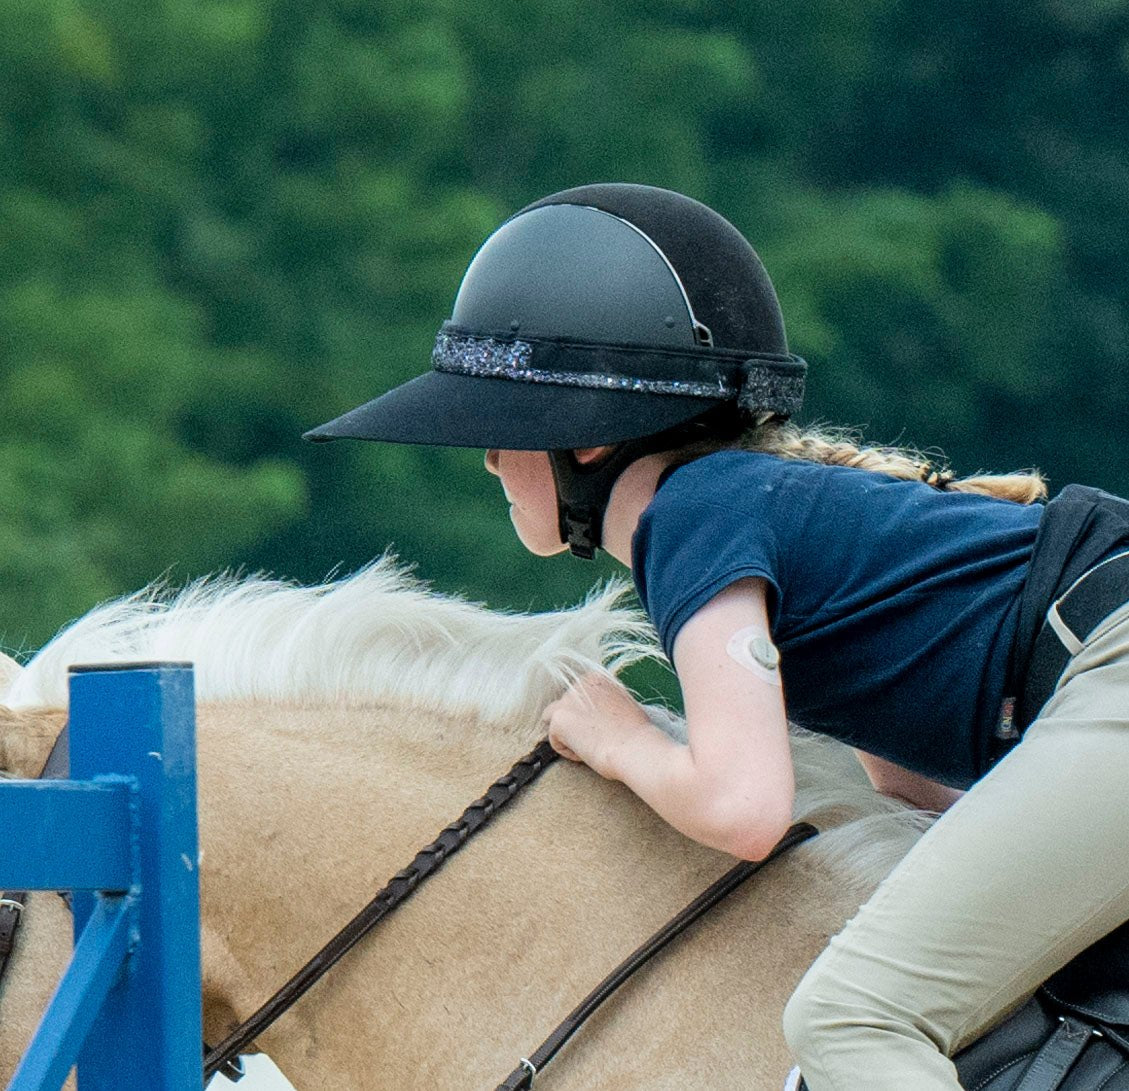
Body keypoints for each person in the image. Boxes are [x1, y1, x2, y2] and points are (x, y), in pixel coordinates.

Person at [306, 183, 1129, 1090]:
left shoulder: (689, 518)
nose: (491, 460)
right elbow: (914, 787)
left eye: (500, 430)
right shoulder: (751, 513)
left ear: (586, 443)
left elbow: (743, 810)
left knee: (849, 1018)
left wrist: (622, 742)